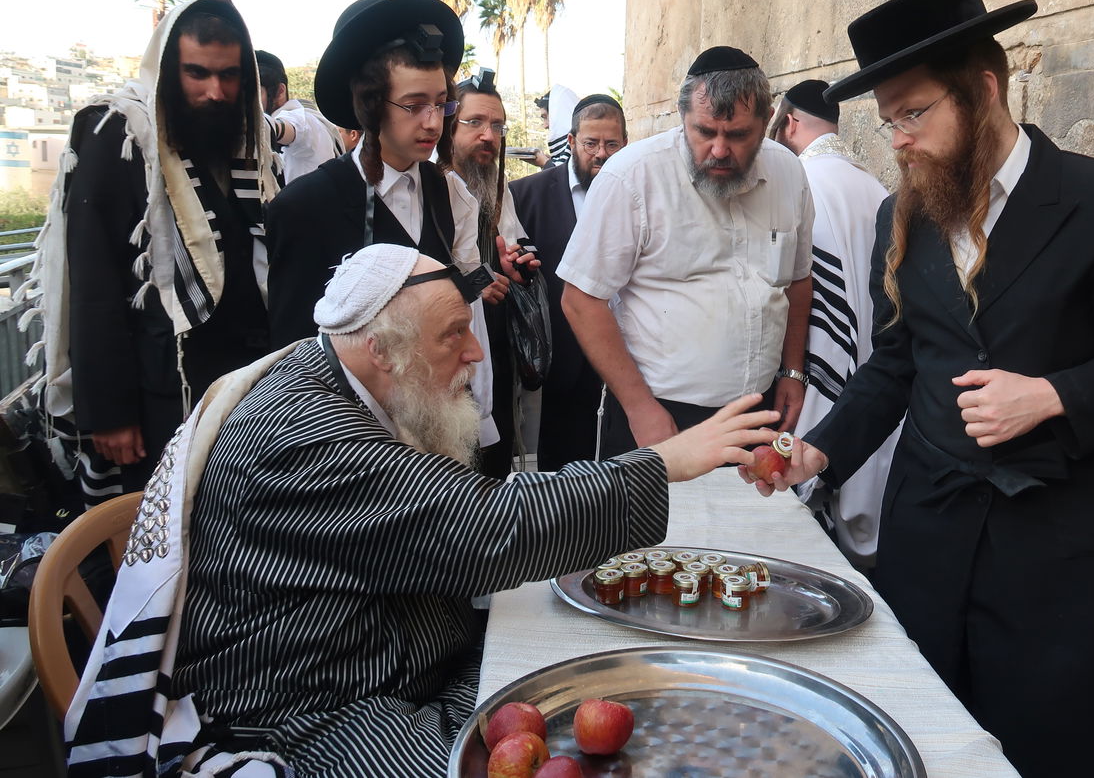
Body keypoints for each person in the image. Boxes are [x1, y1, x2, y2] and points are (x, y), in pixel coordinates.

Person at [63, 243, 779, 778]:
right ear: (382, 349)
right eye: (452, 335)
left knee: (578, 670)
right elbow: (487, 527)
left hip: (388, 661)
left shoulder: (337, 373)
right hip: (305, 709)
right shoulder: (303, 435)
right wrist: (665, 462)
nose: (475, 354)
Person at [752, 0, 1094, 778]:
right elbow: (895, 361)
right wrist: (821, 449)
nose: (899, 142)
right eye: (889, 122)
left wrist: (1050, 395)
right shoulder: (900, 215)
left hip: (1059, 551)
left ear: (983, 91)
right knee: (924, 736)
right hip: (930, 534)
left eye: (914, 114)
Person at [28, 0, 279, 506]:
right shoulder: (120, 133)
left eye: (229, 75)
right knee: (157, 529)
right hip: (158, 393)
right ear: (168, 70)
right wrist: (110, 413)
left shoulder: (244, 138)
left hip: (240, 387)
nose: (215, 92)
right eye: (197, 73)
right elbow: (94, 282)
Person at [264, 0, 530, 457]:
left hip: (437, 437)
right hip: (346, 442)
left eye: (441, 105)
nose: (432, 122)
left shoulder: (450, 195)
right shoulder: (305, 206)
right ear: (371, 106)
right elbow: (292, 351)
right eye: (413, 105)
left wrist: (481, 421)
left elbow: (467, 319)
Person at [559, 46, 815, 456]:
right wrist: (639, 406)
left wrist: (793, 371)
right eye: (704, 132)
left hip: (758, 411)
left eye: (738, 135)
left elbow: (798, 281)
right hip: (659, 415)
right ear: (683, 117)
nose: (719, 150)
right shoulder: (632, 177)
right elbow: (581, 300)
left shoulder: (788, 172)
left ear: (767, 120)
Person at [769, 79, 896, 568]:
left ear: (789, 122)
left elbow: (817, 306)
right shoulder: (874, 185)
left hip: (826, 374)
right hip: (881, 378)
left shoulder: (802, 182)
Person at [511, 93, 627, 468]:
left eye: (611, 144)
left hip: (628, 359)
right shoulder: (525, 195)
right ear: (573, 141)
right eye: (591, 143)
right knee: (563, 476)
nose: (601, 154)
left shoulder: (640, 194)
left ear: (625, 143)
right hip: (562, 364)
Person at [450, 69, 540, 476]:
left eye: (498, 126)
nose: (488, 135)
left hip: (496, 345)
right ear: (451, 126)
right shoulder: (430, 186)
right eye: (475, 122)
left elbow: (514, 242)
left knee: (496, 461)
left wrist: (516, 266)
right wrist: (476, 285)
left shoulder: (497, 185)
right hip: (448, 357)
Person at [254, 49, 342, 182]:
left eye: (254, 93)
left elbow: (286, 128)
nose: (245, 102)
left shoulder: (304, 121)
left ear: (280, 91)